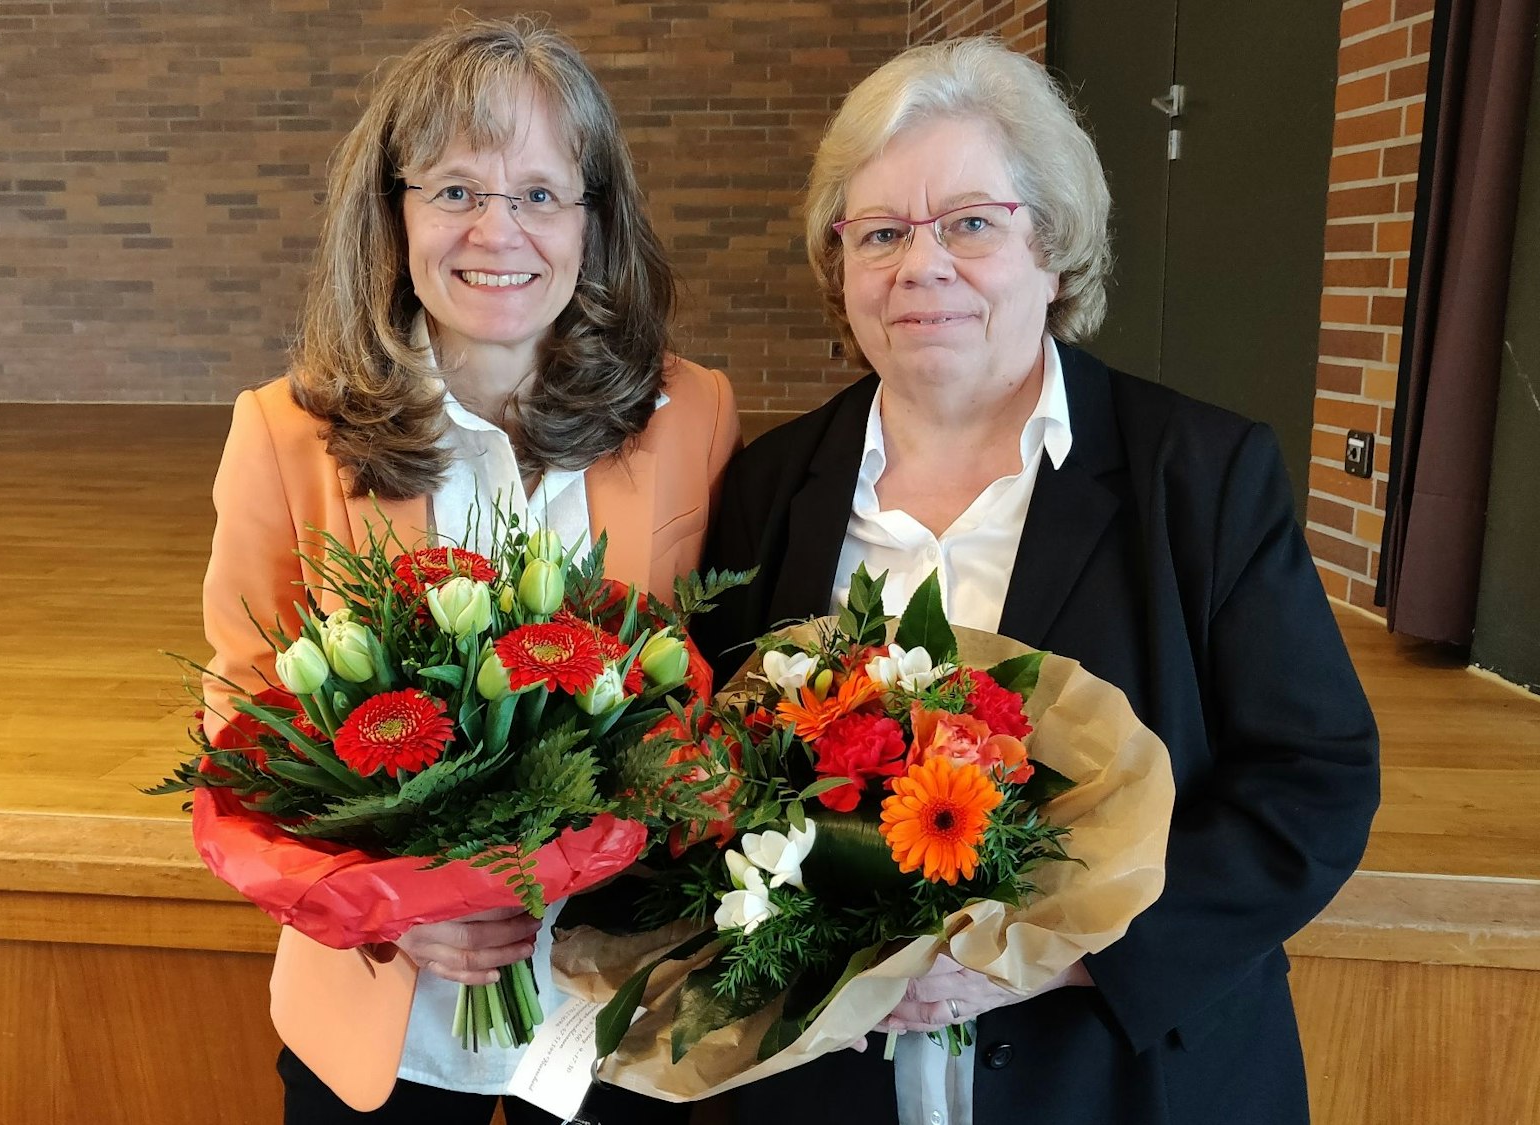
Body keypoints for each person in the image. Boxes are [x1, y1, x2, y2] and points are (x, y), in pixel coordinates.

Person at [693, 37, 1379, 1125]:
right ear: (839, 267)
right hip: (826, 1085)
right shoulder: (770, 487)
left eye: (970, 222)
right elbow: (713, 772)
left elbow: (1312, 783)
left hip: (1121, 1074)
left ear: (1052, 247)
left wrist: (1062, 959)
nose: (920, 266)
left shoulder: (1198, 474)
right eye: (879, 233)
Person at [200, 18, 737, 1125]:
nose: (499, 230)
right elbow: (246, 716)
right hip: (382, 1014)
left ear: (594, 220)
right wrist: (386, 906)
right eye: (454, 190)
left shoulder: (694, 415)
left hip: (616, 1009)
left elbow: (716, 687)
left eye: (541, 194)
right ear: (392, 215)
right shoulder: (284, 432)